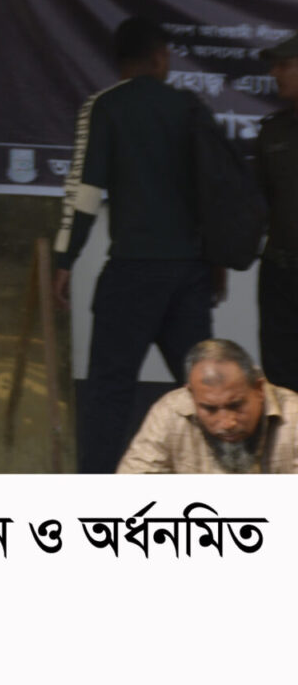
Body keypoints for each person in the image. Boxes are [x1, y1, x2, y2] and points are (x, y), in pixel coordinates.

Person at [54, 15, 218, 474]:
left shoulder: (105, 107)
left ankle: (96, 493)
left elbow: (85, 193)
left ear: (119, 60)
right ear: (160, 57)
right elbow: (214, 190)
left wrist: (65, 259)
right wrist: (217, 262)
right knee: (207, 389)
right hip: (189, 273)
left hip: (131, 271)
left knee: (109, 392)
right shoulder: (189, 107)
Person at [117, 338, 298, 474]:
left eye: (236, 405)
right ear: (191, 396)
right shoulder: (170, 411)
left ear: (259, 389)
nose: (227, 423)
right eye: (210, 409)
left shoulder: (293, 415)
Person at [254, 32, 298, 389]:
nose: (274, 73)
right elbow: (260, 202)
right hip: (281, 275)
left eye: (284, 65)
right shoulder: (273, 132)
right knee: (281, 382)